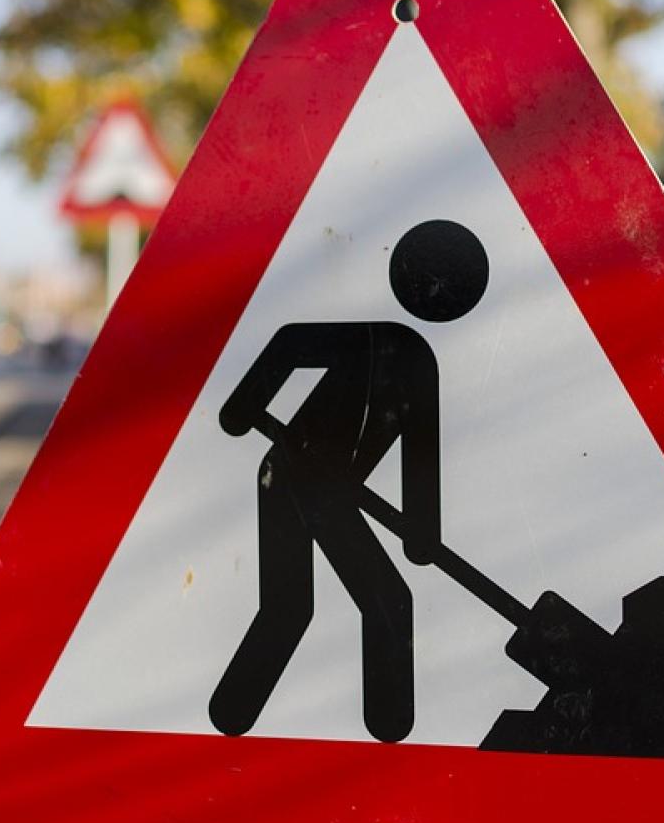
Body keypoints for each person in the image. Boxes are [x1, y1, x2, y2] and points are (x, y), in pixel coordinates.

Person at [208, 219, 490, 743]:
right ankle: (388, 733)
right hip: (297, 473)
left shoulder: (414, 358)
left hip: (308, 480)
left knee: (290, 606)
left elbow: (420, 456)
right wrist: (241, 406)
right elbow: (289, 345)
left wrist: (421, 535)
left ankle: (230, 714)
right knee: (382, 600)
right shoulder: (378, 341)